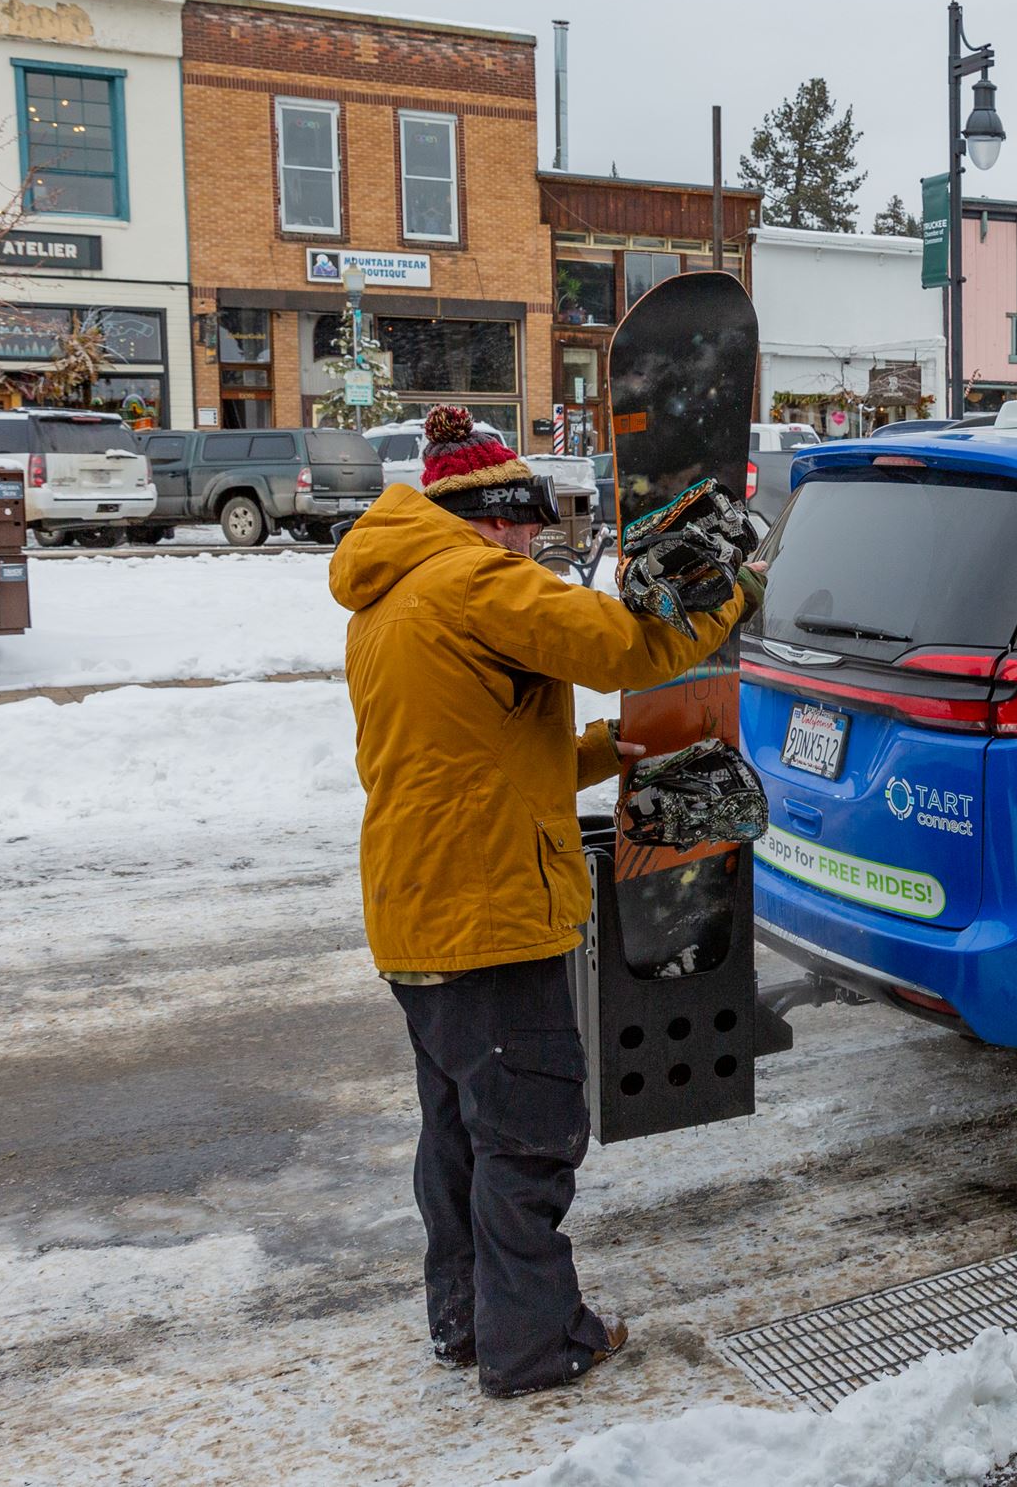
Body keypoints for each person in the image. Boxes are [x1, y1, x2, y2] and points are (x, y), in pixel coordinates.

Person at [328, 405, 751, 1398]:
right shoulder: (476, 581)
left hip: (417, 908)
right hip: (487, 914)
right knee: (529, 1129)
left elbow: (488, 760)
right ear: (483, 513)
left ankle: (467, 1321)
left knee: (462, 1132)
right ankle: (533, 1345)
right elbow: (627, 649)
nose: (532, 533)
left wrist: (624, 751)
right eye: (519, 513)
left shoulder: (389, 599)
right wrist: (728, 588)